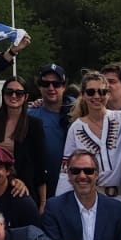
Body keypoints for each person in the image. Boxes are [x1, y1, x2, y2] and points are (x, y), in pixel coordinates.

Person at [57, 71, 121, 198]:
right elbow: (66, 169)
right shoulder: (76, 128)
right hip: (91, 199)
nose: (97, 96)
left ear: (108, 94)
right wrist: (62, 203)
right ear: (83, 95)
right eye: (91, 92)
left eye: (102, 92)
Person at [0, 76, 47, 205]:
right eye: (9, 92)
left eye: (19, 93)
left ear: (26, 97)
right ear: (3, 94)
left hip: (22, 191)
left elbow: (40, 165)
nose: (14, 96)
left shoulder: (34, 125)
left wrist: (43, 202)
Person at [28, 63, 74, 198]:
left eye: (56, 84)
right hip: (42, 188)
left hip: (74, 184)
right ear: (39, 86)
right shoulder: (30, 116)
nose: (51, 88)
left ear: (64, 86)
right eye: (45, 84)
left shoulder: (78, 111)